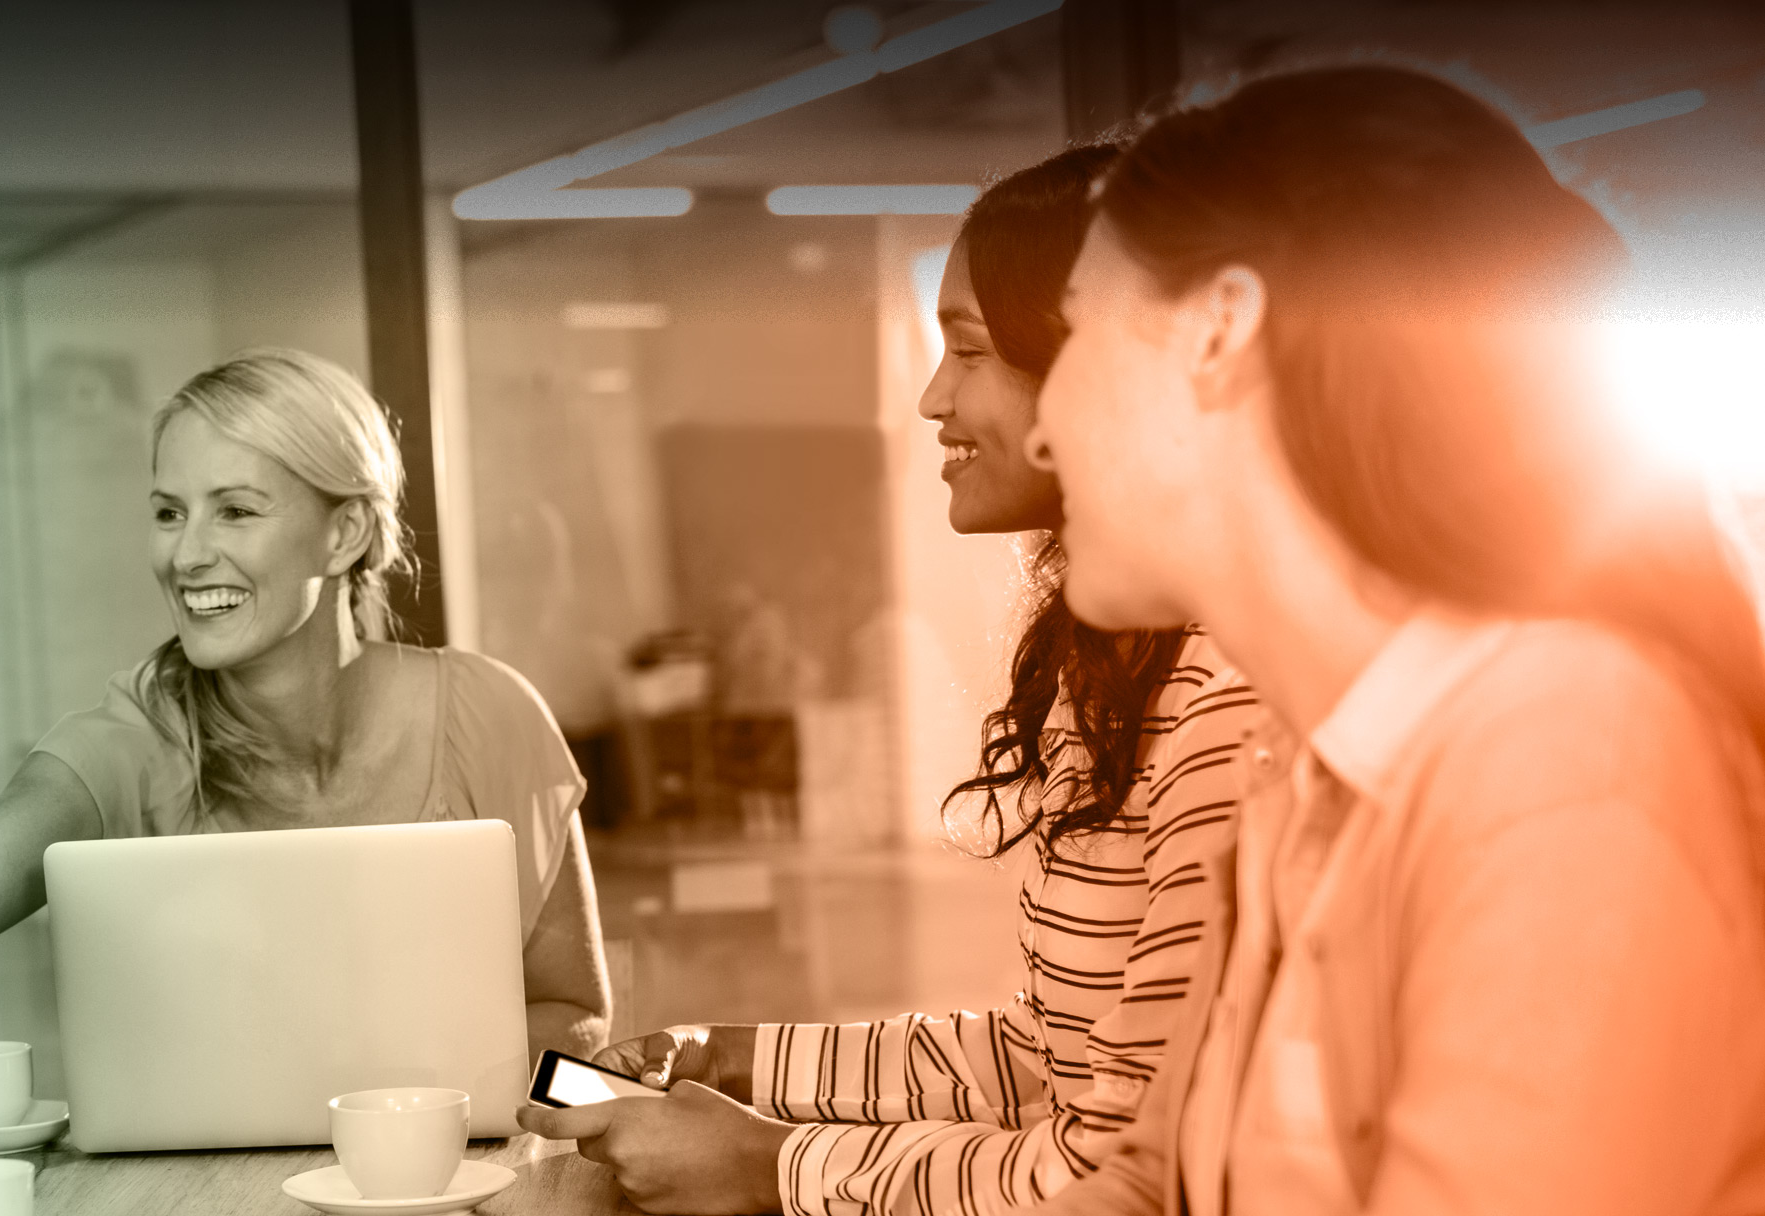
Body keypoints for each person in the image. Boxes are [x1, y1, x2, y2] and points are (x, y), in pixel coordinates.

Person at [1020, 66, 1765, 1215]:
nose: (1041, 434)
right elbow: (1151, 1182)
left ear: (1220, 328)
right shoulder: (1303, 767)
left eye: (1075, 328)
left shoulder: (1567, 765)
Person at [518, 146, 1263, 1216]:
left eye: (970, 349)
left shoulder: (1224, 702)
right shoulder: (1111, 676)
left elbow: (1125, 1177)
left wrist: (771, 1167)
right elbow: (1043, 1060)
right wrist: (736, 1062)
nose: (928, 397)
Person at [0, 347, 611, 1057]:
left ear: (344, 532)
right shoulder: (127, 743)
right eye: (169, 513)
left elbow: (573, 1013)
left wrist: (404, 1111)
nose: (186, 554)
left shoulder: (492, 717)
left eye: (234, 511)